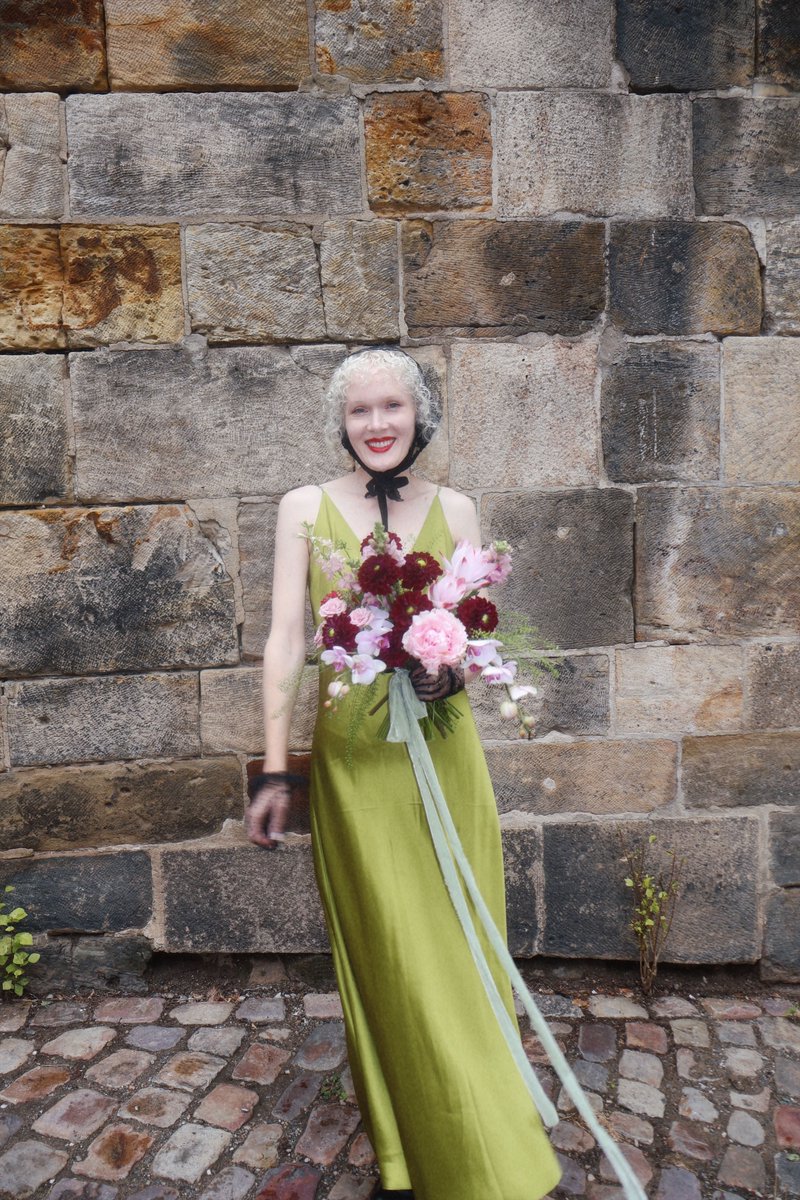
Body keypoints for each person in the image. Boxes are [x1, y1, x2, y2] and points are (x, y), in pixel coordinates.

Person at [246, 346, 563, 1199]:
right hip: (356, 768)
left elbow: (471, 639)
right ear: (340, 423)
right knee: (390, 953)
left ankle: (486, 1146)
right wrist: (277, 772)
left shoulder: (456, 510)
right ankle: (407, 1145)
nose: (377, 424)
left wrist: (448, 666)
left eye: (392, 407)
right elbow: (287, 640)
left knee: (459, 948)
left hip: (446, 760)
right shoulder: (302, 509)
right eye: (360, 411)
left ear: (419, 416)